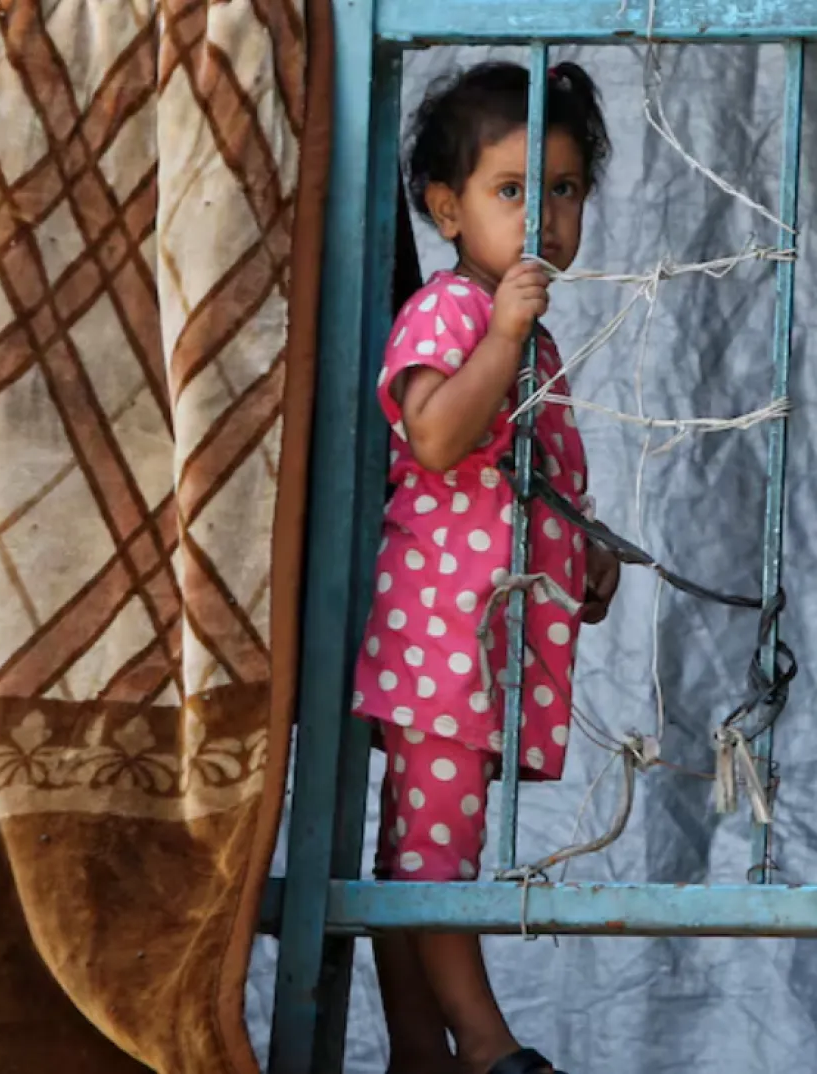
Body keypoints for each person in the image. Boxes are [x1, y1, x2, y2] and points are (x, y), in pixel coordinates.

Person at [349, 61, 622, 1074]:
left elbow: (537, 477)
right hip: (442, 634)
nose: (543, 216)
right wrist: (502, 333)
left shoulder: (528, 341)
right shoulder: (451, 314)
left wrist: (587, 552)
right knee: (431, 850)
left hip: (488, 634)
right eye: (512, 190)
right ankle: (485, 1045)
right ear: (446, 208)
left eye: (563, 190)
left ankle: (421, 1051)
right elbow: (432, 437)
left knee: (419, 851)